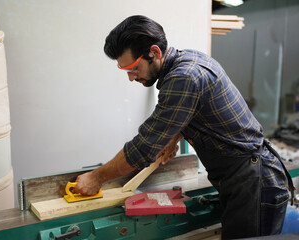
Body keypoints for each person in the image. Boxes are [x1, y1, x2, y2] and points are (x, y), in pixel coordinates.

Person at [74, 15, 294, 239]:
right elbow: (194, 110)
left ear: (155, 52)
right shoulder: (188, 59)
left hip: (255, 182)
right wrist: (173, 137)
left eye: (133, 68)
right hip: (244, 177)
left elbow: (143, 148)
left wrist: (96, 178)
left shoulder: (184, 77)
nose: (131, 77)